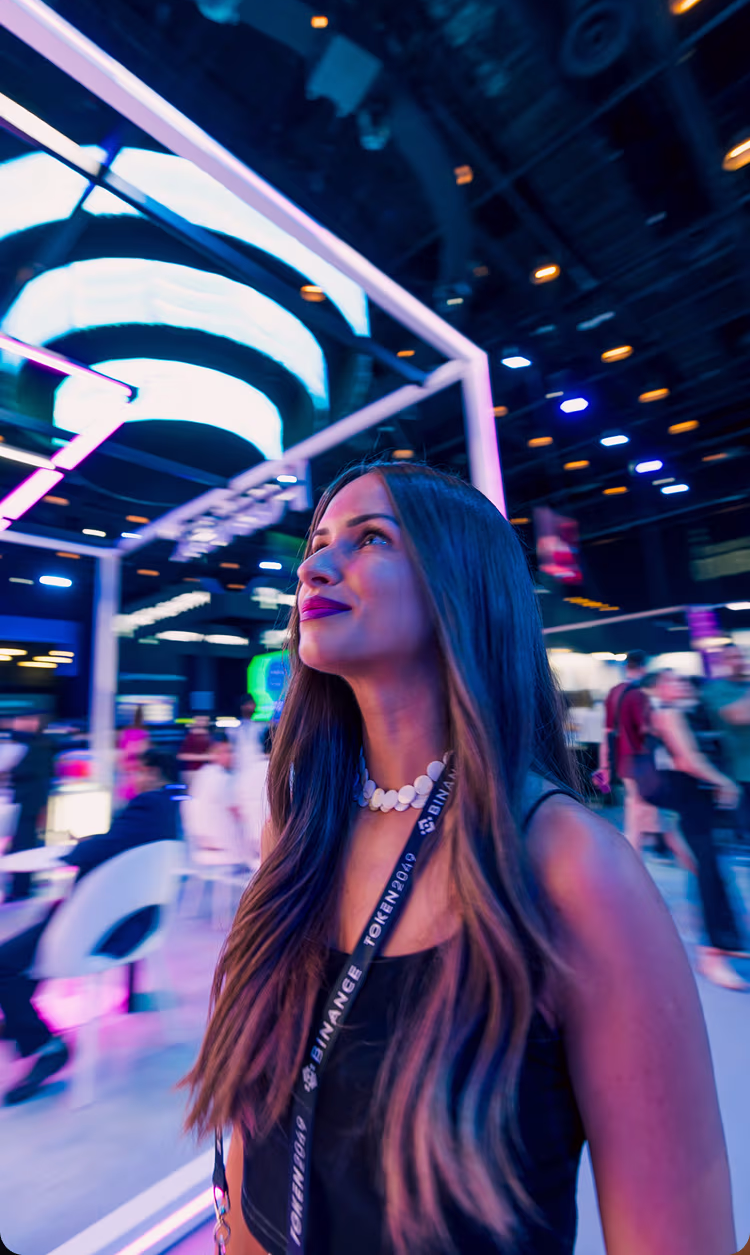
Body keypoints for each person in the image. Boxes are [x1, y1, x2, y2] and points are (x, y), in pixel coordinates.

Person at [184, 462, 736, 1255]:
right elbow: (256, 1125)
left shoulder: (574, 870)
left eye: (371, 538)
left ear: (463, 584)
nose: (314, 564)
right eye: (318, 542)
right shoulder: (296, 832)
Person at [0, 748, 179, 1106]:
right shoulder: (168, 811)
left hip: (98, 926)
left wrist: (73, 851)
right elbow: (116, 844)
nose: (136, 778)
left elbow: (106, 846)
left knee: (5, 962)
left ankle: (47, 1046)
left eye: (141, 771)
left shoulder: (147, 806)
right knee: (23, 957)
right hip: (122, 919)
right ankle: (20, 1014)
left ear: (155, 774)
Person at [644, 670, 747, 992]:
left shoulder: (687, 712)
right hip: (689, 804)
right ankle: (711, 954)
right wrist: (724, 783)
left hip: (699, 803)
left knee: (714, 869)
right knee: (707, 872)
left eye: (684, 681)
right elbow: (688, 760)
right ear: (660, 688)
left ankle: (728, 940)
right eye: (674, 681)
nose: (683, 685)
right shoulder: (669, 715)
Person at [599, 651, 694, 870]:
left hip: (627, 768)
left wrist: (605, 766)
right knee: (661, 829)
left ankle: (627, 881)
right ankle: (706, 880)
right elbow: (651, 730)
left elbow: (607, 733)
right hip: (647, 769)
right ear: (643, 667)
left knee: (641, 828)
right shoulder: (643, 695)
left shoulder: (615, 692)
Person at [1, 711, 56, 902]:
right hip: (29, 803)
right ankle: (21, 886)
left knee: (24, 845)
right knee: (22, 844)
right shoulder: (35, 744)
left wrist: (10, 771)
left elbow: (26, 772)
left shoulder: (39, 745)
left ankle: (21, 888)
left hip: (29, 804)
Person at [704, 644, 750, 842]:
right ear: (722, 663)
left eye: (741, 657)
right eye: (732, 657)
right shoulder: (714, 690)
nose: (739, 662)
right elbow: (738, 716)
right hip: (740, 772)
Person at [183, 731, 247, 864]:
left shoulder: (202, 775)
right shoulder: (223, 778)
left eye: (230, 752)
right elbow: (237, 813)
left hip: (201, 852)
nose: (230, 756)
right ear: (213, 753)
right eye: (224, 752)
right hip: (227, 853)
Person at [232, 696, 269, 870]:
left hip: (258, 771)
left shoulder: (261, 727)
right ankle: (245, 856)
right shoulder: (234, 730)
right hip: (240, 775)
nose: (250, 706)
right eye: (247, 703)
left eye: (252, 704)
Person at [115, 705, 150, 806]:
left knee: (129, 785)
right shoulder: (142, 733)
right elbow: (141, 749)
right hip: (134, 763)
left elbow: (123, 749)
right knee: (133, 786)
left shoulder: (124, 732)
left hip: (129, 764)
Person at [178, 714, 213, 789]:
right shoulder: (189, 737)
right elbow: (181, 755)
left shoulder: (209, 735)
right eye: (200, 720)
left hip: (207, 771)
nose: (202, 722)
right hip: (192, 771)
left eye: (204, 720)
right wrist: (205, 757)